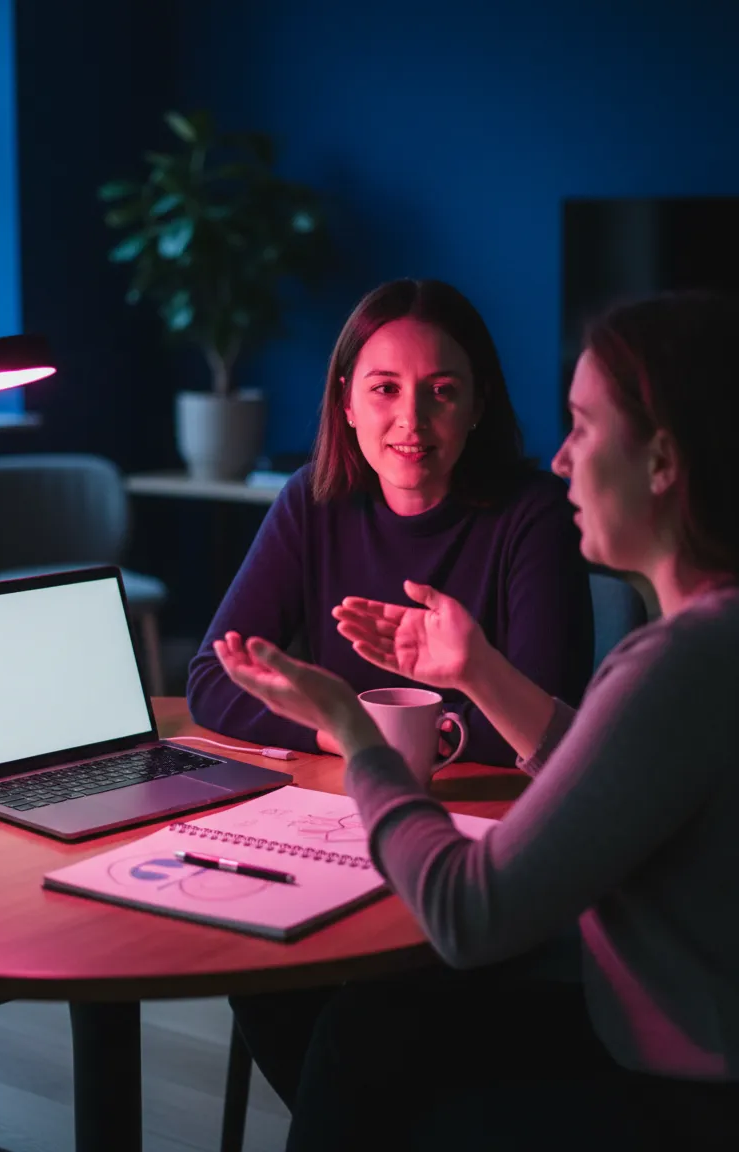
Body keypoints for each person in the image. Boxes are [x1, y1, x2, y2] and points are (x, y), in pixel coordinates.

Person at [214, 290, 739, 1150]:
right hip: (661, 1050)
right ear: (345, 400)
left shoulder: (678, 662)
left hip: (680, 1096)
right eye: (382, 389)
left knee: (366, 1040)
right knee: (360, 1033)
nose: (563, 460)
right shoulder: (705, 643)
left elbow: (466, 912)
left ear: (662, 460)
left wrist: (357, 735)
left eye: (583, 426)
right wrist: (476, 672)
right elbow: (608, 774)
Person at [188, 278, 594, 767]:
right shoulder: (311, 499)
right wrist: (341, 734)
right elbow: (213, 677)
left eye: (441, 391)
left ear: (477, 406)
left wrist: (370, 731)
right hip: (350, 793)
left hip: (495, 806)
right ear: (347, 402)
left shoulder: (537, 513)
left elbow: (547, 726)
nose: (411, 418)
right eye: (385, 388)